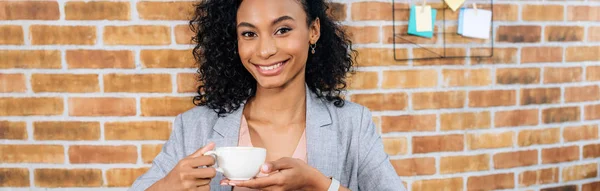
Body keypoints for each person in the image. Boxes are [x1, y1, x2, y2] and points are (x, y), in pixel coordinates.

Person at [129, 0, 407, 190]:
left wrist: (322, 185)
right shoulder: (194, 127)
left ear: (313, 30)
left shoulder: (353, 125)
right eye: (249, 34)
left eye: (282, 30)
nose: (264, 50)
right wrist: (168, 186)